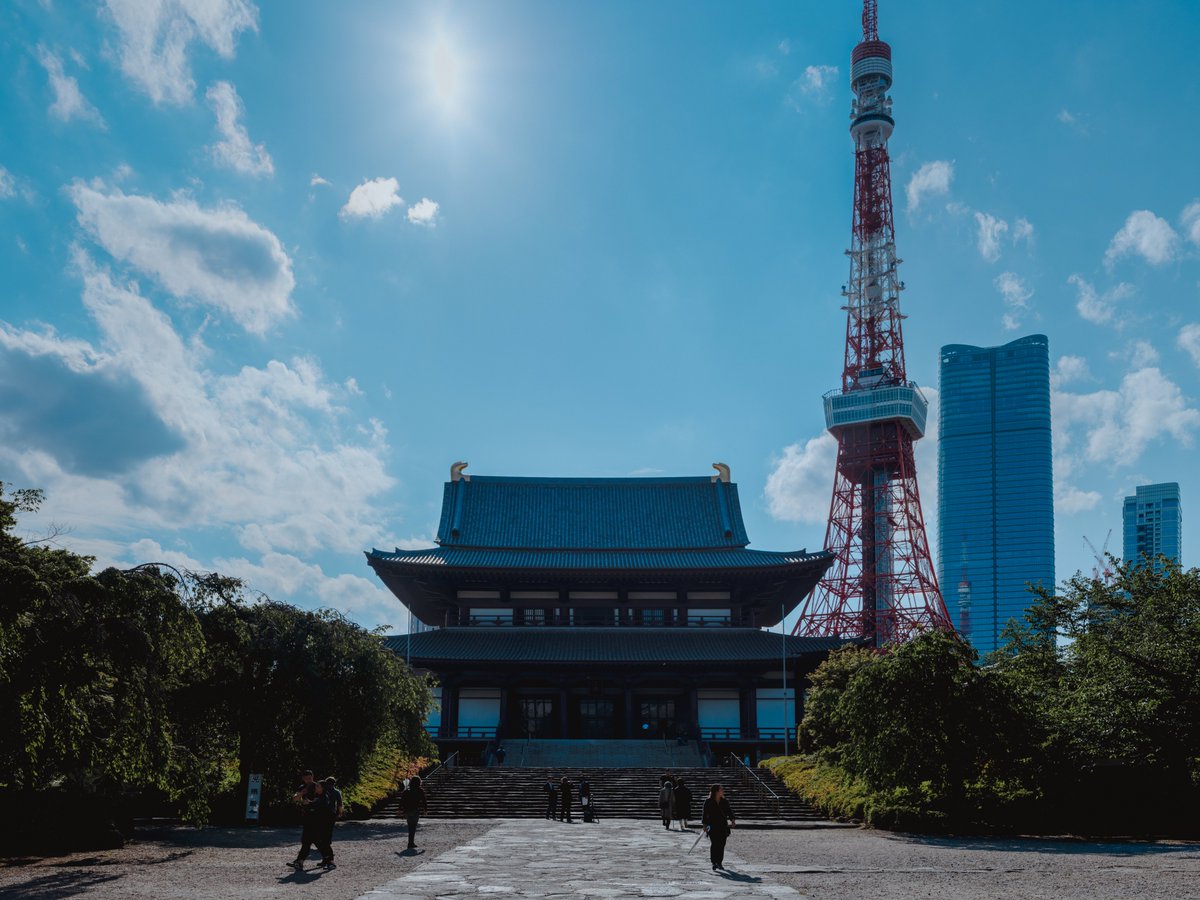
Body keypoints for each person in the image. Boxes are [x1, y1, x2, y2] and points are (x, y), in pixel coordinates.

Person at [289, 779, 334, 869]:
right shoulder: (318, 797)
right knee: (307, 842)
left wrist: (308, 804)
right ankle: (300, 862)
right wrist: (308, 803)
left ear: (322, 788)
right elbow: (312, 805)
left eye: (318, 786)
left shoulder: (324, 798)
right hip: (310, 824)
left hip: (319, 826)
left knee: (320, 844)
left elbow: (317, 807)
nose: (315, 787)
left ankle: (330, 861)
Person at [702, 783, 736, 872]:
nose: (723, 791)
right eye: (721, 789)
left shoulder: (724, 801)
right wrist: (704, 825)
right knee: (714, 844)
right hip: (712, 826)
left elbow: (729, 811)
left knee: (721, 844)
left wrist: (732, 820)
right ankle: (714, 862)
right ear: (716, 791)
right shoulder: (708, 801)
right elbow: (704, 814)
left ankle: (719, 862)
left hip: (723, 826)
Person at [399, 775, 428, 850]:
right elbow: (424, 801)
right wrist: (425, 810)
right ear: (419, 782)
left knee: (410, 827)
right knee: (413, 827)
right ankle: (410, 843)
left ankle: (410, 842)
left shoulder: (407, 790)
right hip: (415, 811)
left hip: (408, 811)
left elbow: (402, 800)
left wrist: (399, 810)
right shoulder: (420, 790)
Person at [320, 777, 343, 867]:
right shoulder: (337, 792)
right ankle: (326, 859)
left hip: (323, 815)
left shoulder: (323, 791)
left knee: (323, 837)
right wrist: (339, 813)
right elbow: (340, 804)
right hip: (331, 815)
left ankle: (328, 859)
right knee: (327, 836)